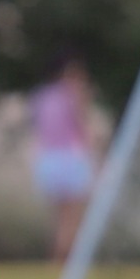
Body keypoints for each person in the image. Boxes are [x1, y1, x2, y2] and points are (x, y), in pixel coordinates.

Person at [27, 48, 98, 263]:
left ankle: (57, 259)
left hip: (48, 159)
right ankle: (64, 260)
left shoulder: (39, 96)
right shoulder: (73, 94)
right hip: (71, 157)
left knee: (58, 217)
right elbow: (82, 126)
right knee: (72, 217)